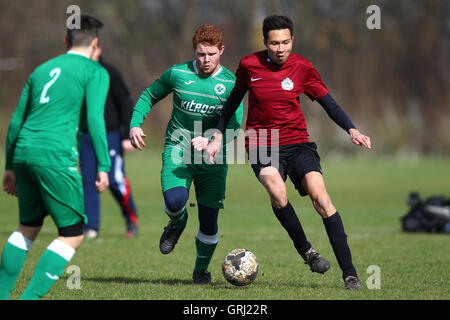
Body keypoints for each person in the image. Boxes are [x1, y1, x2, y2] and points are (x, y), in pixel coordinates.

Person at [203, 15, 371, 290]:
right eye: (274, 43)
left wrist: (351, 129)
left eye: (285, 42)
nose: (280, 49)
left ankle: (350, 274)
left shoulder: (303, 67)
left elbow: (328, 103)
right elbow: (233, 101)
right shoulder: (248, 64)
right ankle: (307, 252)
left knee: (322, 199)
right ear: (265, 42)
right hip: (261, 141)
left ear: (292, 39)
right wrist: (218, 134)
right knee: (278, 193)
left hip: (298, 142)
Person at [0, 15, 110, 299]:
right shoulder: (95, 71)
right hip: (55, 155)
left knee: (28, 227)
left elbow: (15, 122)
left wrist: (10, 166)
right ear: (95, 43)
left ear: (65, 42)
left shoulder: (41, 69)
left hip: (23, 151)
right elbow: (96, 120)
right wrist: (103, 165)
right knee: (73, 233)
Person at [129, 24, 243, 285]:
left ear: (221, 51)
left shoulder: (231, 84)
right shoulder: (177, 74)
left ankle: (200, 271)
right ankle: (177, 224)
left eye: (212, 54)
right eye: (201, 54)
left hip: (213, 158)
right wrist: (135, 122)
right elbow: (148, 95)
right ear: (194, 51)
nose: (206, 60)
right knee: (174, 202)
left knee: (209, 223)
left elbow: (235, 126)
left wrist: (215, 139)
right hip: (178, 149)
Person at [80, 45, 139, 239]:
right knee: (88, 181)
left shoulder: (110, 72)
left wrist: (126, 136)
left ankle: (131, 219)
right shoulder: (80, 73)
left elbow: (125, 102)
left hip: (110, 135)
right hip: (86, 136)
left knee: (115, 180)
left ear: (98, 49)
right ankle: (91, 227)